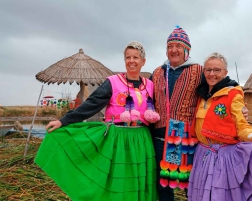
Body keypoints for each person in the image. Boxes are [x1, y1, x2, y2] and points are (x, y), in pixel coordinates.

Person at [35, 41, 159, 201]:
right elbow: (91, 104)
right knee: (117, 183)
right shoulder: (113, 82)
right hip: (118, 141)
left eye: (136, 57)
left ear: (143, 61)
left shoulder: (150, 86)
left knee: (137, 183)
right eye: (128, 57)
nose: (131, 61)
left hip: (142, 140)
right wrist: (63, 121)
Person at [150, 26, 248, 201]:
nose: (174, 50)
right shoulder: (157, 72)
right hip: (159, 137)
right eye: (170, 46)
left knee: (194, 181)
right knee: (162, 183)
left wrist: (235, 99)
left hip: (188, 137)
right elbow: (148, 98)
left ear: (186, 49)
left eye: (178, 46)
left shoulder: (198, 71)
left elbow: (218, 86)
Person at [188, 52, 252, 201]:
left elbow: (241, 123)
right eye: (208, 70)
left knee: (219, 194)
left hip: (222, 157)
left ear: (225, 72)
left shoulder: (233, 95)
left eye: (217, 70)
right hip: (203, 154)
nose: (212, 74)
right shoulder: (201, 94)